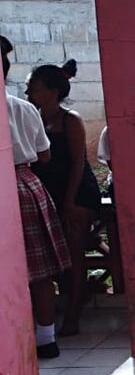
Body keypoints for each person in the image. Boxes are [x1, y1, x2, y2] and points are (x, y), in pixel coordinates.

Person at [3, 35, 71, 358]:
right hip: (28, 184)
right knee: (40, 271)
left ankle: (15, 339)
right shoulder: (25, 107)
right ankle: (46, 339)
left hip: (8, 186)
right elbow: (44, 156)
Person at [28, 60, 102, 337]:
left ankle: (72, 315)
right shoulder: (33, 117)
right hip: (48, 193)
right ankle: (69, 301)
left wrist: (69, 202)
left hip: (77, 192)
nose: (30, 93)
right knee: (51, 254)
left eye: (35, 88)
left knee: (73, 251)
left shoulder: (70, 120)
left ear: (53, 91)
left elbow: (78, 164)